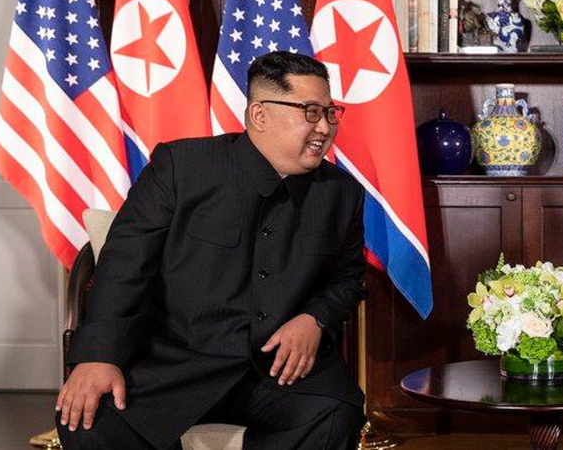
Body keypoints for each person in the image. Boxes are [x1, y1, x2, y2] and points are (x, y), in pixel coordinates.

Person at [55, 52, 367, 450]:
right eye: (310, 112)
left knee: (335, 413)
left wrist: (315, 318)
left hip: (277, 372)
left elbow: (348, 277)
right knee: (88, 422)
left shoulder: (342, 193)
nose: (324, 126)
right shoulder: (180, 167)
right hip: (174, 363)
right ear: (259, 115)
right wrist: (99, 356)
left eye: (330, 112)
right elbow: (124, 265)